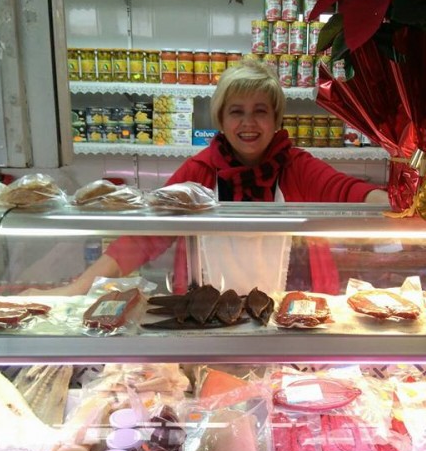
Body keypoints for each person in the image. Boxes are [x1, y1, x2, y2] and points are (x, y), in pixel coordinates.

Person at [26, 60, 388, 296]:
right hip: (208, 322)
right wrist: (76, 288)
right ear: (221, 119)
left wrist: (399, 206)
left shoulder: (297, 166)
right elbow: (143, 236)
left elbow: (350, 193)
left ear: (277, 119)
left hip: (294, 319)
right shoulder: (199, 171)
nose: (248, 123)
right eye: (237, 112)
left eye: (260, 111)